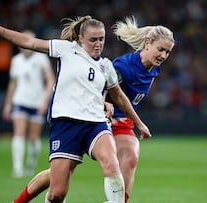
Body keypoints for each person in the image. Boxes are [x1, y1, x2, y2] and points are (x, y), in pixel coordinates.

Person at [0, 15, 151, 203]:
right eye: (93, 39)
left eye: (101, 39)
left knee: (111, 163)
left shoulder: (105, 65)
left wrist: (139, 123)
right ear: (80, 38)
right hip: (66, 124)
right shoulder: (66, 49)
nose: (98, 44)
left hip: (96, 124)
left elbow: (120, 98)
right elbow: (28, 41)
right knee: (57, 194)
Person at [12, 16, 175, 203]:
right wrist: (104, 102)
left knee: (130, 157)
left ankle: (119, 201)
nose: (163, 55)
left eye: (167, 52)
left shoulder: (153, 69)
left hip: (122, 121)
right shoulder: (124, 65)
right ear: (147, 43)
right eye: (161, 49)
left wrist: (136, 122)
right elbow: (102, 84)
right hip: (99, 118)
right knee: (58, 176)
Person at [2, 30, 55, 178]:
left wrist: (45, 100)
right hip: (20, 101)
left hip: (36, 102)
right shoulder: (16, 61)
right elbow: (13, 83)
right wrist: (8, 104)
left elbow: (50, 80)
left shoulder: (41, 59)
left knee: (33, 137)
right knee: (18, 134)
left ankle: (30, 164)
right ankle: (17, 168)